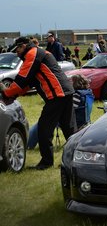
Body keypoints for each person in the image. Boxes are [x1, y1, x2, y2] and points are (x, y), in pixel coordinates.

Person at [1, 36, 76, 170]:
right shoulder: (38, 53)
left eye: (17, 50)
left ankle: (47, 162)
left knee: (44, 129)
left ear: (23, 46)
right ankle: (75, 161)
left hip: (57, 95)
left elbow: (22, 79)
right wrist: (14, 93)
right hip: (66, 92)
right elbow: (29, 83)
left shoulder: (32, 54)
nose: (16, 53)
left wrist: (6, 92)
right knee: (69, 130)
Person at [27, 74, 94, 149]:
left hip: (74, 122)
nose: (68, 83)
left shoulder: (76, 95)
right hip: (84, 121)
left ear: (76, 83)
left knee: (42, 123)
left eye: (70, 81)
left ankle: (28, 144)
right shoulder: (88, 93)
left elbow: (66, 109)